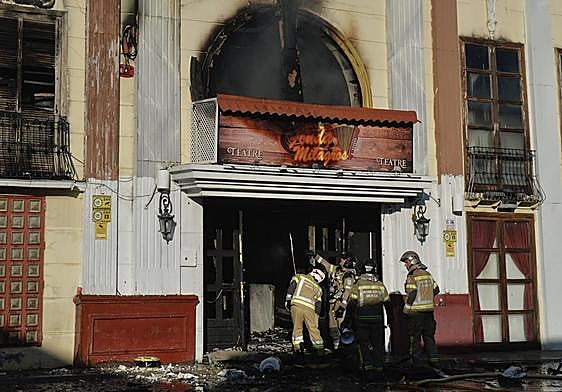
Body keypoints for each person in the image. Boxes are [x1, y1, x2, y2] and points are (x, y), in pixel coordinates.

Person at [349, 258, 391, 373]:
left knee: (364, 344)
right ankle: (379, 367)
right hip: (377, 320)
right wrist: (390, 319)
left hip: (362, 320)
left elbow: (352, 303)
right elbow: (388, 304)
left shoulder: (358, 284)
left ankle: (367, 366)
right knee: (378, 344)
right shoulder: (380, 285)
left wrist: (348, 320)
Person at [309, 252, 357, 350]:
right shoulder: (337, 270)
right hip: (333, 304)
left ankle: (345, 349)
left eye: (343, 259)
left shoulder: (348, 276)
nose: (341, 261)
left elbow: (347, 292)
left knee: (342, 327)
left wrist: (342, 307)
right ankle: (336, 349)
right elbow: (326, 264)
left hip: (341, 305)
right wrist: (316, 256)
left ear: (348, 262)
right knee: (333, 328)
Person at [399, 250, 440, 366]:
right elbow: (436, 290)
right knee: (429, 338)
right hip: (429, 313)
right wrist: (427, 296)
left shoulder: (412, 276)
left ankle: (416, 364)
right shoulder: (428, 274)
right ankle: (434, 362)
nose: (405, 266)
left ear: (412, 262)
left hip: (416, 313)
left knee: (415, 339)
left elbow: (412, 293)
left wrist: (406, 308)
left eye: (406, 263)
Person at [285, 267, 326, 354]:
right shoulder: (319, 289)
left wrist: (288, 301)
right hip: (309, 310)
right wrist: (316, 318)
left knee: (297, 328)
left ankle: (298, 348)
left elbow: (291, 287)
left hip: (296, 306)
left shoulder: (300, 277)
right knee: (313, 329)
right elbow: (318, 305)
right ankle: (319, 349)